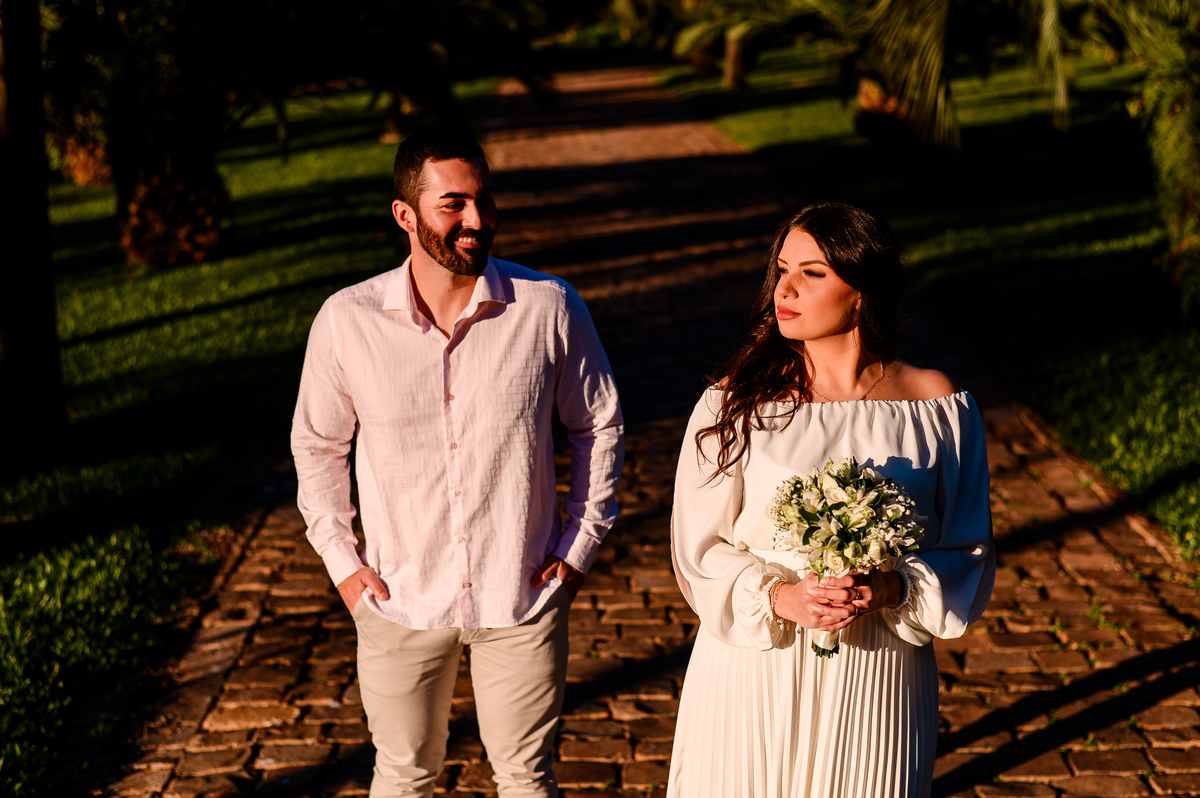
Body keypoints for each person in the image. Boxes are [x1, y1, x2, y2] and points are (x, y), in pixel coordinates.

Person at [291, 128, 624, 798]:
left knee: (527, 779)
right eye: (454, 205)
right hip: (398, 598)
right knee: (403, 775)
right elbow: (317, 445)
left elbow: (600, 424)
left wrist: (579, 547)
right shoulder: (346, 321)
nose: (476, 220)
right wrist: (346, 569)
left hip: (520, 592)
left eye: (484, 200)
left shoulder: (548, 307)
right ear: (405, 215)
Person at [667, 202, 994, 797]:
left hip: (879, 666)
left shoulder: (936, 405)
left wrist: (894, 587)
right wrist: (780, 596)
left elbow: (968, 546)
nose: (784, 289)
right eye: (782, 269)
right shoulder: (733, 402)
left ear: (862, 291)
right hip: (757, 660)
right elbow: (699, 548)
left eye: (812, 274)